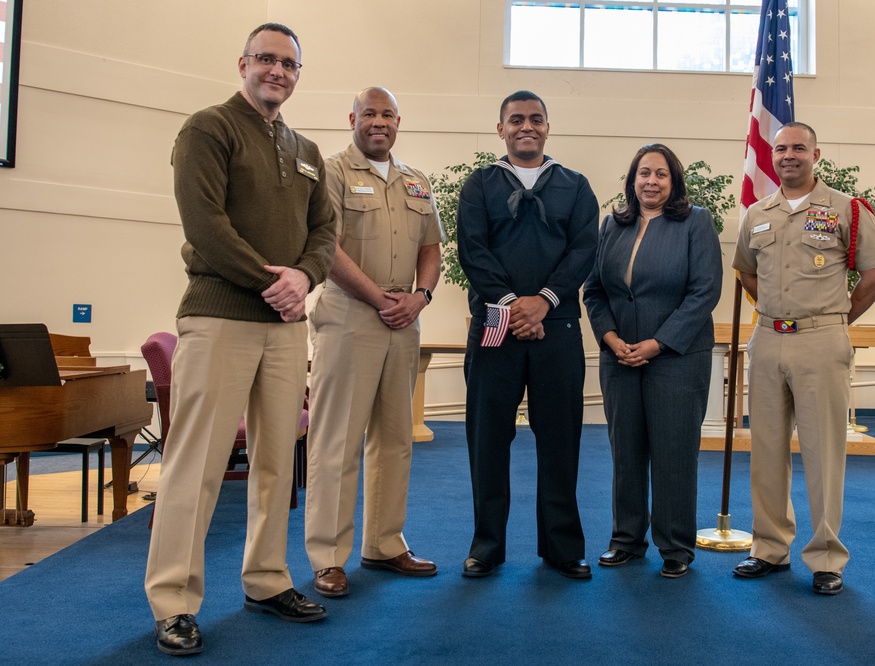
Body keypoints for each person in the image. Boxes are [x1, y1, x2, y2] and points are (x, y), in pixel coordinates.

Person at [145, 23, 336, 656]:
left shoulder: (306, 148)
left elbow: (325, 231)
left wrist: (305, 277)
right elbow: (204, 223)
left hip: (284, 329)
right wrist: (270, 281)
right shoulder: (209, 128)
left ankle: (266, 579)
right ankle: (174, 601)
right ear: (243, 64)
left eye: (289, 63)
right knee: (194, 467)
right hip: (220, 316)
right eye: (266, 59)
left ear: (297, 75)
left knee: (278, 463)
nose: (277, 71)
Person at [731, 122, 875, 595]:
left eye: (799, 147)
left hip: (822, 341)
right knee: (767, 450)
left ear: (816, 154)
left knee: (822, 452)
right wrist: (775, 315)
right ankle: (769, 548)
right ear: (772, 156)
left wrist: (838, 319)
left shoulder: (847, 210)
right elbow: (745, 272)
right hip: (768, 338)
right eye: (781, 149)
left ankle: (825, 558)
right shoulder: (758, 213)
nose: (788, 155)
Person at [305, 87, 443, 597]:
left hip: (404, 320)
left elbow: (430, 247)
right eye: (369, 113)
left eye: (387, 114)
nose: (378, 122)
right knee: (336, 441)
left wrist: (420, 297)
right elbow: (326, 247)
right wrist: (379, 297)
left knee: (395, 438)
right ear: (353, 119)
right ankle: (328, 556)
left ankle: (384, 544)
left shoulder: (416, 181)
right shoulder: (332, 171)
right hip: (349, 319)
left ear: (398, 121)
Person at [457, 90, 599, 580]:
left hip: (556, 328)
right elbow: (472, 251)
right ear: (501, 129)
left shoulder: (576, 187)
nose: (526, 127)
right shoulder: (478, 186)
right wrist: (512, 305)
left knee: (560, 439)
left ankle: (562, 547)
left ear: (547, 127)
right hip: (495, 327)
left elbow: (583, 251)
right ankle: (486, 546)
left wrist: (544, 300)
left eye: (536, 119)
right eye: (515, 119)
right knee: (488, 439)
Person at [583, 144, 722, 578]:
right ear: (631, 180)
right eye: (644, 173)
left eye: (661, 175)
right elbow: (594, 290)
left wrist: (657, 344)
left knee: (674, 453)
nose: (651, 181)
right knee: (626, 452)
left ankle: (675, 547)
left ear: (674, 182)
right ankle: (626, 540)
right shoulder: (612, 226)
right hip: (619, 357)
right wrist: (610, 339)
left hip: (676, 358)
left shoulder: (696, 223)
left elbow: (705, 292)